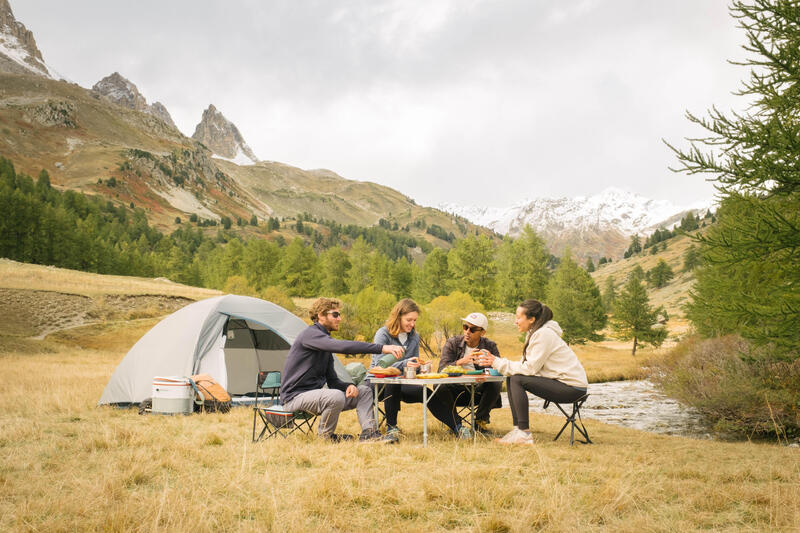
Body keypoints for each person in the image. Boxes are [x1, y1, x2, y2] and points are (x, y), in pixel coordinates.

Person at [280, 297, 403, 443]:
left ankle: (369, 433)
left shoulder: (323, 343)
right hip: (294, 398)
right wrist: (382, 348)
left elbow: (332, 381)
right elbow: (343, 347)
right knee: (335, 396)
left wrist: (348, 386)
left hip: (314, 397)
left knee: (363, 391)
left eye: (339, 315)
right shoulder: (310, 335)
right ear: (321, 315)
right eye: (335, 314)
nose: (340, 318)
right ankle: (325, 437)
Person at [477, 299, 588, 445]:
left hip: (572, 388)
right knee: (513, 377)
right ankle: (519, 430)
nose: (515, 322)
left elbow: (530, 369)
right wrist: (497, 364)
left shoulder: (543, 334)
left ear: (531, 319)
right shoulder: (536, 333)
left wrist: (496, 361)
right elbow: (525, 366)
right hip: (561, 383)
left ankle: (524, 433)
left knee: (517, 379)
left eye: (518, 317)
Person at [371, 298, 471, 439]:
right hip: (380, 384)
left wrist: (421, 367)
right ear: (398, 317)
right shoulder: (383, 334)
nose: (412, 324)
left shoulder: (414, 337)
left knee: (427, 393)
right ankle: (391, 429)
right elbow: (378, 366)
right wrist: (405, 364)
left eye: (415, 320)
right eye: (409, 320)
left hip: (405, 383)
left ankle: (458, 427)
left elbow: (413, 366)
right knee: (392, 383)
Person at [438, 312, 503, 433]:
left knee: (495, 384)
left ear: (482, 332)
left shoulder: (490, 346)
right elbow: (441, 368)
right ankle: (455, 424)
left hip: (479, 392)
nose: (467, 331)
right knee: (439, 386)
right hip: (456, 391)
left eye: (472, 329)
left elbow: (499, 372)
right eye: (465, 327)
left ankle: (480, 422)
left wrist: (486, 368)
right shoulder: (452, 343)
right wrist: (462, 361)